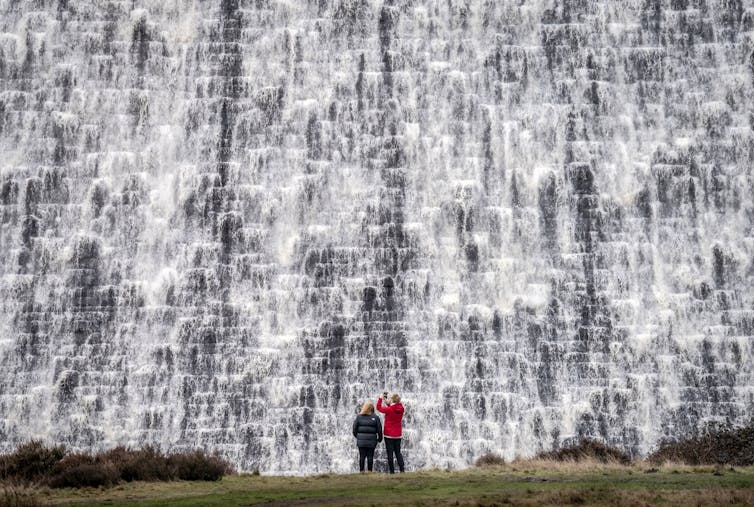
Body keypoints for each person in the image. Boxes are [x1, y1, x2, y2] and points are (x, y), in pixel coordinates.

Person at [377, 392, 405, 473]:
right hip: (398, 435)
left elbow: (379, 408)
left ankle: (392, 472)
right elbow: (393, 408)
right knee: (398, 453)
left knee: (390, 454)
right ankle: (402, 470)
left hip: (389, 435)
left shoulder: (389, 409)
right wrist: (385, 400)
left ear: (392, 400)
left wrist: (380, 398)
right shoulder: (401, 408)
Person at [352, 400, 382, 473]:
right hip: (372, 441)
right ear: (372, 408)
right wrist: (380, 439)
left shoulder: (359, 417)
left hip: (361, 441)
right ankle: (369, 471)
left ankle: (361, 471)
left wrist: (358, 437)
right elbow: (379, 430)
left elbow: (354, 429)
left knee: (362, 456)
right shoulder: (376, 417)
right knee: (370, 457)